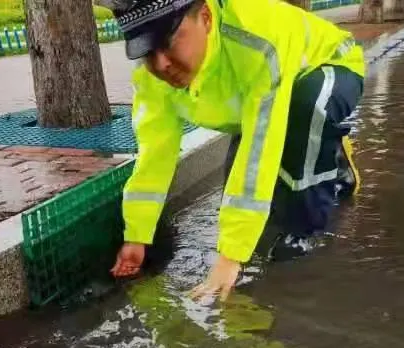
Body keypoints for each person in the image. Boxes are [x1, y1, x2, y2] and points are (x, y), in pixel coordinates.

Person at [110, 0, 365, 300]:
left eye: (167, 42)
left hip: (330, 67)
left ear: (205, 17)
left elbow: (261, 143)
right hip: (266, 100)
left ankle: (304, 231)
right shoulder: (152, 80)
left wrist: (231, 257)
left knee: (305, 113)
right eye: (147, 52)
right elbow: (154, 154)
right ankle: (329, 152)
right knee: (242, 209)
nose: (161, 64)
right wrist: (137, 237)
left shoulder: (254, 43)